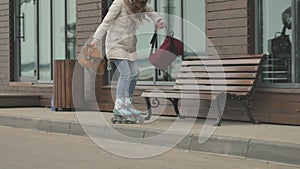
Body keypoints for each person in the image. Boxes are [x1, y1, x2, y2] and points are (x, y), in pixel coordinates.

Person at [91, 0, 166, 123]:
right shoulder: (119, 3)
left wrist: (158, 20)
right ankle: (119, 106)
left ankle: (127, 103)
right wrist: (95, 39)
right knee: (125, 73)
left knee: (135, 74)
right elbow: (106, 22)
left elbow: (151, 11)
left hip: (130, 46)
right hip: (115, 44)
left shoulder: (139, 4)